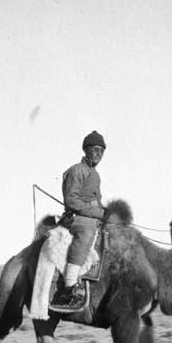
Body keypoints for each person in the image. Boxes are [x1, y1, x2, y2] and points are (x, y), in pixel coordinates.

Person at [51, 131, 107, 310]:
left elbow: (96, 202)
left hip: (90, 215)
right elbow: (71, 200)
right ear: (86, 150)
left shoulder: (95, 175)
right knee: (86, 233)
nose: (98, 154)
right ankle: (69, 287)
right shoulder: (76, 171)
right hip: (77, 218)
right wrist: (97, 213)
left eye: (102, 150)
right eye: (95, 149)